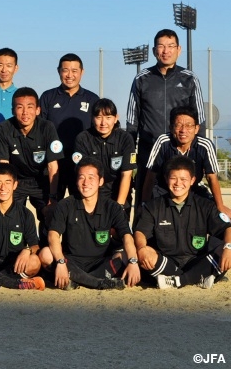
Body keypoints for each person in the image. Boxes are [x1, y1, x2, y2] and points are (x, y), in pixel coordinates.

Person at [126, 29, 205, 211]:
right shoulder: (141, 79)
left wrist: (196, 153)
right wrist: (131, 158)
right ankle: (142, 237)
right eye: (161, 46)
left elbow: (200, 119)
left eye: (170, 46)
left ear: (179, 49)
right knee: (145, 203)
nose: (166, 51)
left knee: (183, 204)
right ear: (154, 51)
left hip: (180, 153)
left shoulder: (190, 79)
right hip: (148, 153)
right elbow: (132, 122)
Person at [39, 158, 140, 290]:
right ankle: (97, 282)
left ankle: (77, 279)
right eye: (82, 177)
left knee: (127, 255)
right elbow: (53, 235)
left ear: (101, 181)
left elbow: (127, 237)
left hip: (101, 262)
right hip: (71, 261)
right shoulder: (65, 204)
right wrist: (61, 261)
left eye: (91, 178)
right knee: (45, 254)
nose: (86, 183)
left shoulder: (112, 207)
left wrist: (133, 262)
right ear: (76, 181)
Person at [134, 156, 231, 289]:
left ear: (192, 180)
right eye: (173, 178)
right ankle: (196, 277)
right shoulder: (153, 206)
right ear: (166, 178)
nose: (178, 183)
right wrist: (141, 248)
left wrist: (228, 247)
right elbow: (140, 232)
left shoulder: (205, 205)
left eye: (184, 179)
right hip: (165, 262)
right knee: (143, 252)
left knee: (227, 248)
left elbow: (227, 227)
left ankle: (177, 281)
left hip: (197, 260)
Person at [0, 87, 63, 244]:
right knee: (8, 213)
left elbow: (53, 166)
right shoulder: (4, 128)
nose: (25, 112)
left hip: (41, 180)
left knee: (50, 214)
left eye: (30, 107)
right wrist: (6, 192)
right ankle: (15, 251)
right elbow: (4, 166)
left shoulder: (47, 127)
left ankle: (46, 252)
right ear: (13, 109)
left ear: (37, 110)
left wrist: (52, 197)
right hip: (17, 180)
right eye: (19, 107)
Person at [140, 106, 230, 218]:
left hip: (193, 189)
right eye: (178, 125)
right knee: (154, 217)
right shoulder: (163, 141)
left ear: (197, 128)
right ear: (171, 128)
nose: (183, 130)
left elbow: (211, 177)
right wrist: (144, 203)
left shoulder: (205, 145)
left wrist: (220, 206)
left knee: (218, 216)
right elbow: (151, 176)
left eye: (189, 125)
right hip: (165, 189)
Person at [40, 53, 100, 200]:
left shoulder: (92, 99)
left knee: (81, 207)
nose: (69, 75)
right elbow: (40, 129)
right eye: (65, 70)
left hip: (81, 163)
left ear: (82, 72)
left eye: (74, 71)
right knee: (50, 209)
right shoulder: (48, 97)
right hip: (54, 163)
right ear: (59, 71)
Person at [72, 98, 136, 214]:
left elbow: (127, 174)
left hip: (118, 189)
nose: (103, 123)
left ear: (116, 118)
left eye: (108, 117)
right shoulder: (83, 139)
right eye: (99, 117)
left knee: (119, 228)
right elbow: (84, 174)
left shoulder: (125, 138)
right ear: (92, 118)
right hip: (93, 190)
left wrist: (119, 206)